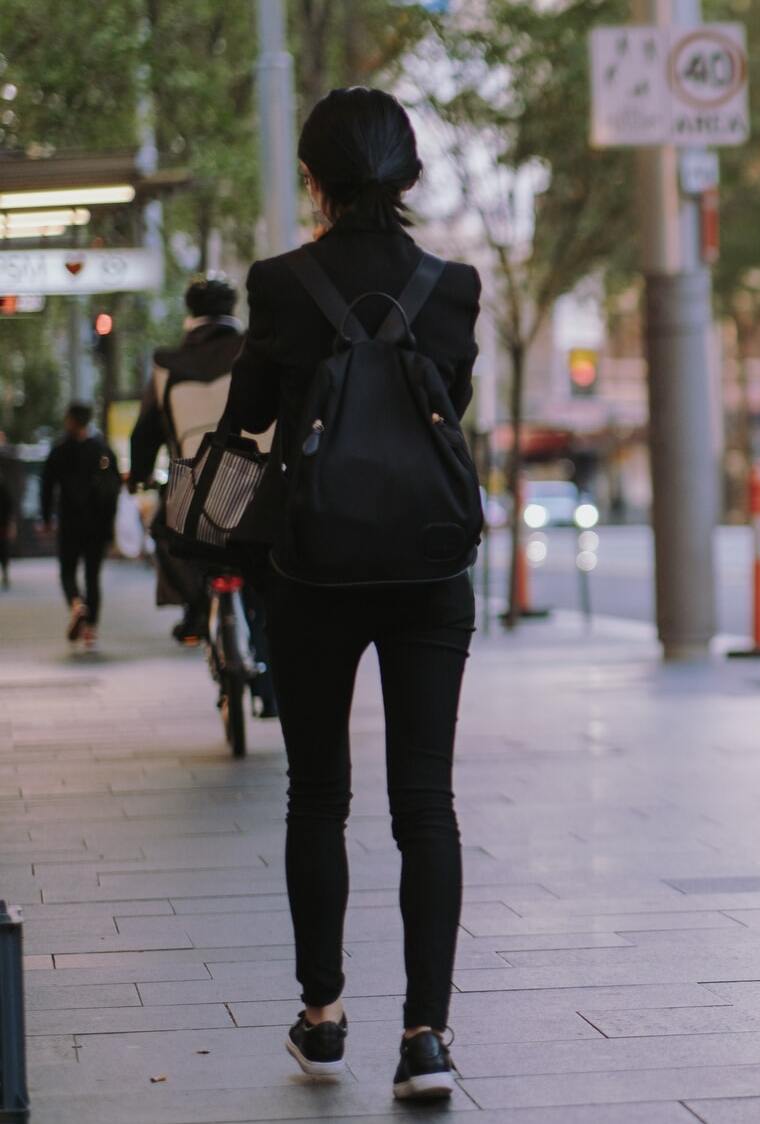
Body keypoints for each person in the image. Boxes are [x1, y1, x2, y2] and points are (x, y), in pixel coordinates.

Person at [218, 86, 479, 1101]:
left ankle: (322, 1017)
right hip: (427, 564)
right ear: (408, 176)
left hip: (312, 566)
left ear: (313, 178)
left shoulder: (279, 283)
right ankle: (425, 1037)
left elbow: (249, 415)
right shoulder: (450, 286)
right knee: (427, 801)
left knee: (317, 794)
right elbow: (445, 403)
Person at [130, 276, 246, 643]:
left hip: (189, 484)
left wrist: (139, 474)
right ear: (232, 309)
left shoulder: (167, 365)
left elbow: (146, 430)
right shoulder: (251, 351)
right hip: (251, 479)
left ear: (190, 311)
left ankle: (195, 607)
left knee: (165, 532)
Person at [39, 403, 120, 651]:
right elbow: (114, 489)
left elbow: (47, 487)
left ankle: (76, 604)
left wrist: (46, 519)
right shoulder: (102, 450)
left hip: (70, 522)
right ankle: (91, 631)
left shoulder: (59, 450)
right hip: (97, 525)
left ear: (70, 420)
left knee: (67, 571)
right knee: (93, 576)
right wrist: (111, 525)